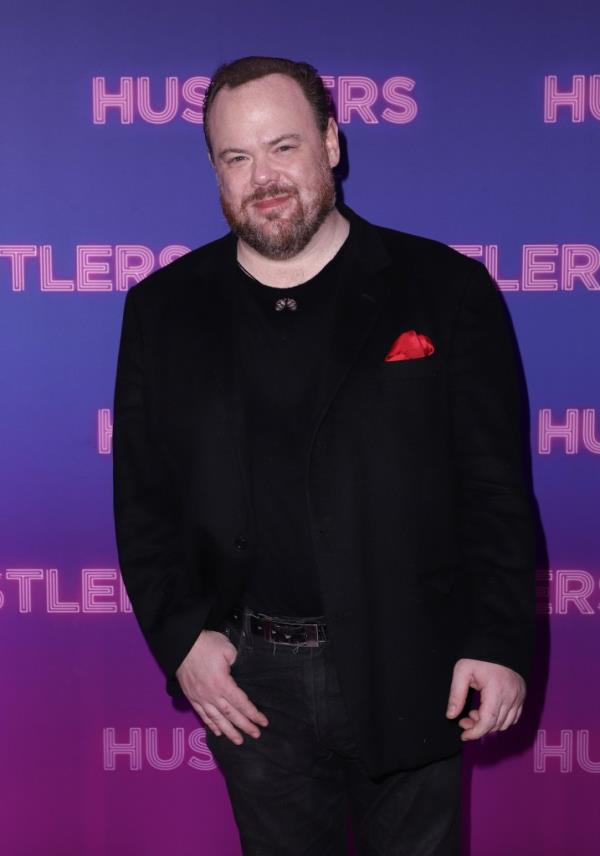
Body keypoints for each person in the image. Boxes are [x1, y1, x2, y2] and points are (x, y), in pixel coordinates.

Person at [112, 55, 536, 856]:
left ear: (332, 143)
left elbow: (496, 489)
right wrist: (182, 641)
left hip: (413, 657)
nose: (262, 177)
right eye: (236, 158)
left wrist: (499, 641)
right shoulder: (163, 309)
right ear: (213, 170)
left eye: (283, 147)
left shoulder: (443, 289)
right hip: (251, 680)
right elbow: (143, 498)